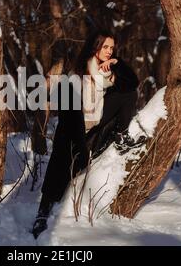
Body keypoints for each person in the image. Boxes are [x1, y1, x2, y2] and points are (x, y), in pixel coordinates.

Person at [31, 30, 144, 239]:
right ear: (95, 47)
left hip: (97, 127)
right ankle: (43, 212)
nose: (109, 51)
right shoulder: (78, 74)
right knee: (61, 155)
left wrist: (116, 64)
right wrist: (79, 145)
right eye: (105, 47)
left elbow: (132, 83)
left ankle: (120, 135)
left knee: (128, 92)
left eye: (112, 48)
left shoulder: (110, 74)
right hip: (75, 130)